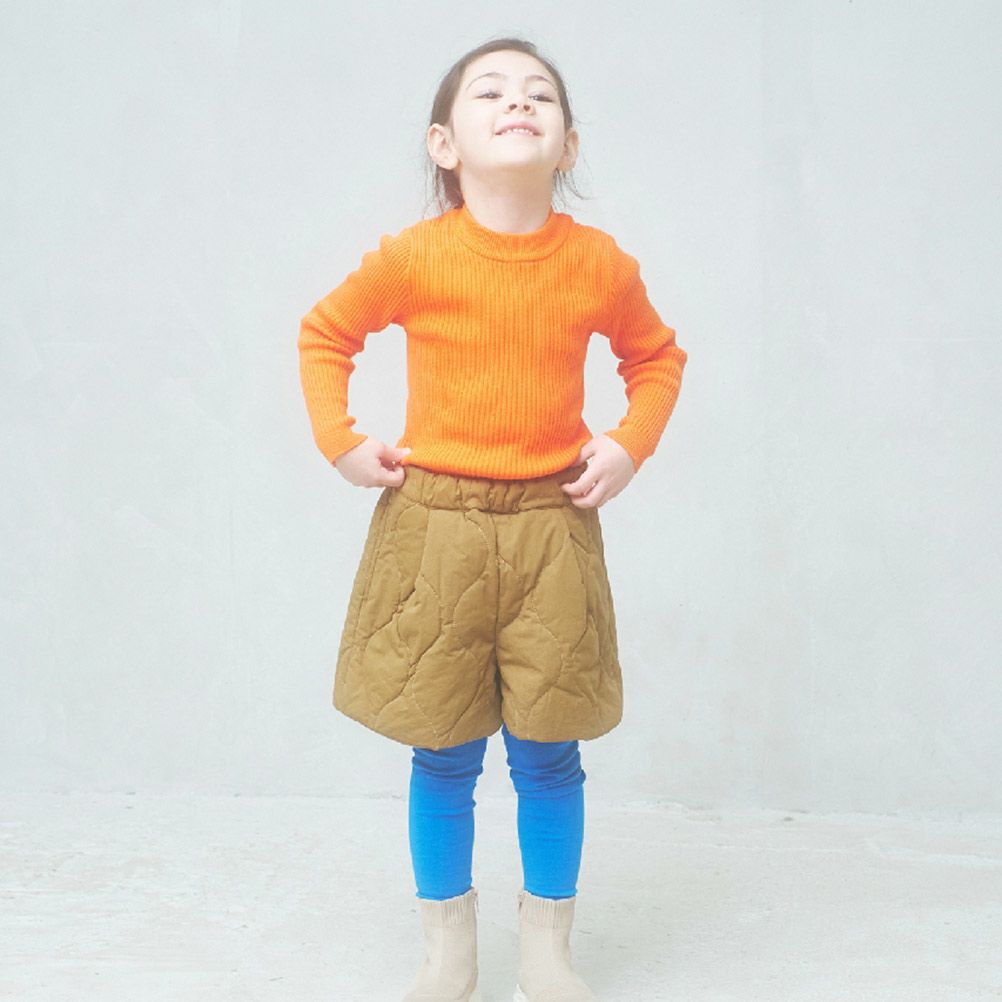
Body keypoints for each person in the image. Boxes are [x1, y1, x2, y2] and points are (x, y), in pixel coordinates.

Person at [297, 36, 687, 1002]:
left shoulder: (597, 264)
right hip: (435, 529)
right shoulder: (416, 257)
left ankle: (549, 953)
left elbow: (656, 359)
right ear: (444, 143)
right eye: (492, 93)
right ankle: (449, 955)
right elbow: (326, 332)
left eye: (540, 95)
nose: (519, 103)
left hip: (553, 527)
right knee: (443, 748)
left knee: (551, 750)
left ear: (568, 144)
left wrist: (628, 445)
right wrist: (340, 441)